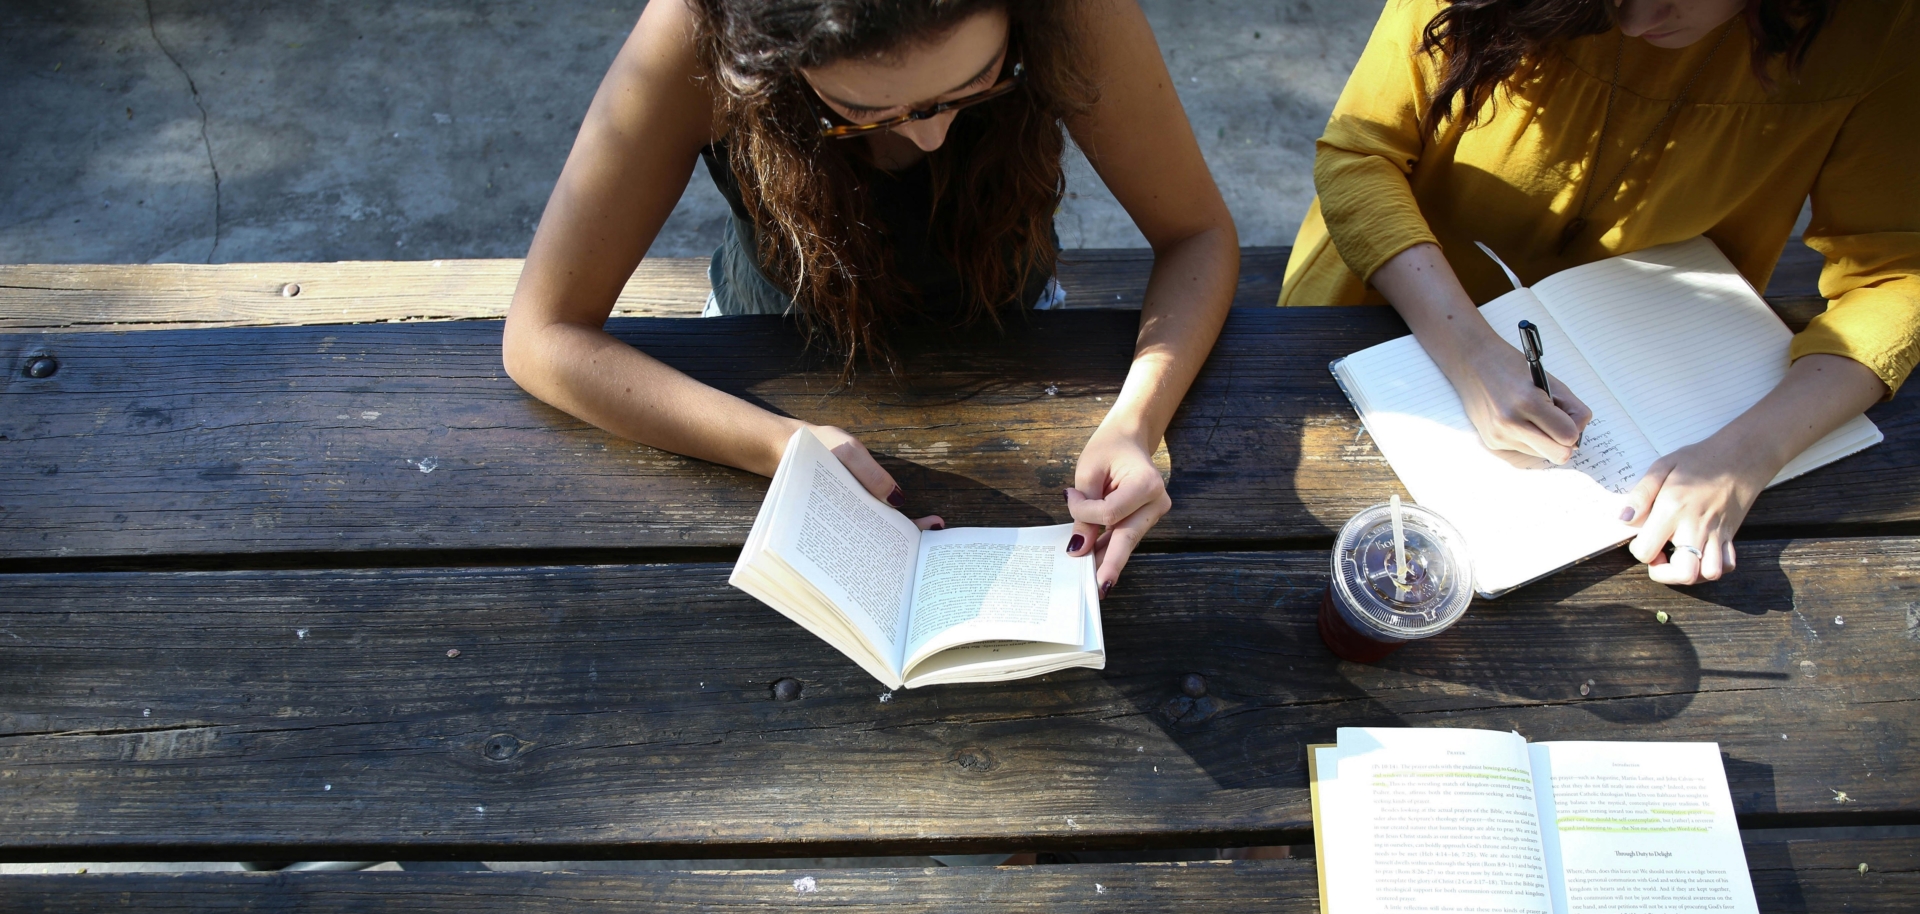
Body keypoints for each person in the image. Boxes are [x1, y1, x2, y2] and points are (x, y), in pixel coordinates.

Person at [503, 0, 1236, 596]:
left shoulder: (1074, 13)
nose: (931, 135)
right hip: (762, 349)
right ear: (766, 55)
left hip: (1014, 328)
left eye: (980, 82)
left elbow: (1197, 234)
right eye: (867, 111)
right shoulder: (699, 28)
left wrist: (1136, 424)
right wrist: (783, 446)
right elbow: (543, 335)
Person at [1283, 0, 1917, 585]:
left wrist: (1747, 453)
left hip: (1669, 369)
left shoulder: (1881, 25)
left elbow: (1898, 276)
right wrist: (1468, 350)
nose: (1636, 19)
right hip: (1381, 304)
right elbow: (1359, 154)